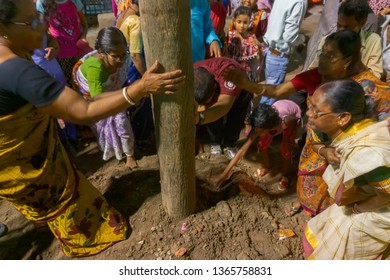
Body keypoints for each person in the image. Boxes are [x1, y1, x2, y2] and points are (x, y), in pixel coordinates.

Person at [0, 0, 185, 257]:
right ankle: (83, 240)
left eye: (40, 17)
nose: (43, 25)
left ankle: (42, 221)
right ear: (3, 28)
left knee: (41, 199)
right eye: (32, 21)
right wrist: (140, 88)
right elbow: (85, 111)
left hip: (18, 159)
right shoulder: (15, 70)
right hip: (24, 164)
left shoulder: (14, 54)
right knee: (70, 207)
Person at [224, 29, 390, 216]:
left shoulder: (370, 89)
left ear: (348, 61)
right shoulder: (315, 76)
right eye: (322, 53)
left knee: (340, 197)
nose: (322, 59)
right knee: (309, 182)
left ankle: (330, 220)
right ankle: (307, 205)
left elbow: (378, 135)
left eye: (330, 56)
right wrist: (246, 84)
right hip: (315, 145)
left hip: (346, 154)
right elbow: (277, 91)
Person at [302, 79, 390, 260]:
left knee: (343, 246)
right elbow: (316, 141)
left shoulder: (368, 155)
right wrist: (324, 151)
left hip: (381, 207)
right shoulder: (331, 125)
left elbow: (387, 195)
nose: (308, 113)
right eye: (310, 106)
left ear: (343, 118)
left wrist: (358, 208)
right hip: (366, 197)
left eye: (315, 111)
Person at [73, 27, 138, 169]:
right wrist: (127, 93)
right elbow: (97, 98)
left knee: (121, 121)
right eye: (115, 56)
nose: (121, 60)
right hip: (96, 97)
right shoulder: (95, 68)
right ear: (102, 53)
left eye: (123, 54)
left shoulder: (121, 59)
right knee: (101, 122)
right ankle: (112, 149)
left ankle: (129, 155)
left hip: (112, 91)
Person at [217, 100, 301, 191]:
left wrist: (286, 140)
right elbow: (242, 151)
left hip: (292, 117)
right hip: (273, 117)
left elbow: (293, 121)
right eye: (257, 131)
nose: (258, 134)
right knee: (262, 144)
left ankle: (286, 175)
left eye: (261, 131)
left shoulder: (286, 121)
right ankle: (267, 166)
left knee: (285, 150)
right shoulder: (261, 124)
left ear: (269, 128)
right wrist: (225, 173)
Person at [194, 57, 251, 159]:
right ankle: (215, 142)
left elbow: (224, 105)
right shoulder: (193, 73)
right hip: (217, 92)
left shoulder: (228, 71)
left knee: (236, 119)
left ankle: (231, 144)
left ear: (215, 86)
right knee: (211, 117)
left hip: (241, 90)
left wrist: (200, 118)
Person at [309, 0, 383, 79]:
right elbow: (313, 71)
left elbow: (375, 77)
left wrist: (357, 62)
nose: (341, 30)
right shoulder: (327, 41)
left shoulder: (373, 41)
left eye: (347, 27)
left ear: (362, 23)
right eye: (339, 25)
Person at [259, 0, 307, 105]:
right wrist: (302, 39)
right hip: (278, 55)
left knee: (268, 92)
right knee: (270, 97)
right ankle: (259, 119)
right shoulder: (299, 2)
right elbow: (290, 36)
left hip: (271, 51)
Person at [36, 0, 93, 85]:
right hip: (59, 57)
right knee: (67, 86)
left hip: (79, 53)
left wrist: (83, 37)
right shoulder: (42, 3)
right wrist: (53, 46)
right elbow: (44, 31)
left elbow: (84, 24)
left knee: (82, 84)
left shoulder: (74, 1)